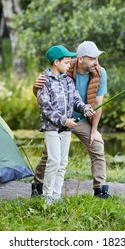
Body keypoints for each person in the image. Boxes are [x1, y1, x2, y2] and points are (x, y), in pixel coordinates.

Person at [32, 41, 111, 199]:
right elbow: (44, 98)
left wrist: (93, 128)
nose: (97, 62)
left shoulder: (99, 73)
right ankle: (39, 186)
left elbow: (96, 103)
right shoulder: (65, 67)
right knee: (51, 157)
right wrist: (35, 87)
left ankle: (100, 189)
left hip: (80, 120)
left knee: (96, 147)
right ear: (81, 59)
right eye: (93, 58)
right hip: (58, 121)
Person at [36, 44, 94, 204]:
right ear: (56, 62)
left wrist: (85, 108)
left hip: (66, 129)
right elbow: (45, 107)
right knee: (53, 160)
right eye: (67, 62)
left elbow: (76, 100)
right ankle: (47, 197)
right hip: (52, 128)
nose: (70, 65)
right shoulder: (44, 81)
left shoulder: (68, 81)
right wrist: (64, 120)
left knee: (62, 163)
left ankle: (56, 196)